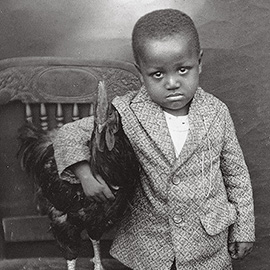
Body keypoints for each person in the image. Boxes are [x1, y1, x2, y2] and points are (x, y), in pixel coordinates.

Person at [53, 9, 255, 270]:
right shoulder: (126, 112)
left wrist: (244, 229)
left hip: (208, 244)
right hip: (151, 247)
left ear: (200, 62)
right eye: (157, 74)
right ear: (140, 73)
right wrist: (85, 175)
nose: (172, 83)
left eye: (183, 69)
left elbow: (236, 174)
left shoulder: (216, 112)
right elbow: (68, 134)